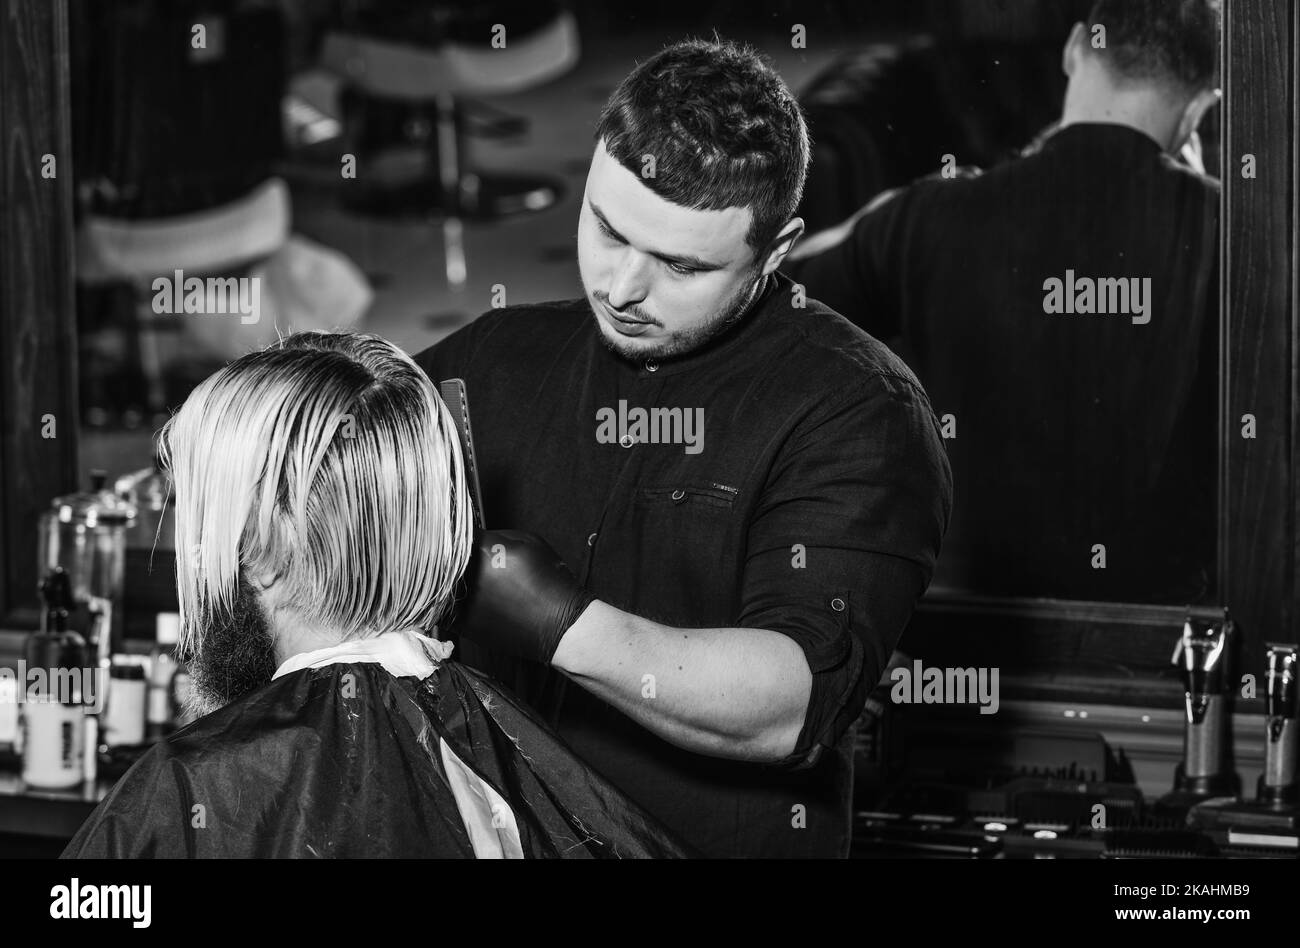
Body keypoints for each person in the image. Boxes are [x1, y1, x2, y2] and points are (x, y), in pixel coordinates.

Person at [418, 38, 953, 858]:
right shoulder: (496, 356)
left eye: (679, 264)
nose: (622, 288)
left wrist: (562, 624)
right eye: (606, 227)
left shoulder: (857, 412)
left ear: (776, 252)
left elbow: (787, 706)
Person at [62, 332, 691, 858]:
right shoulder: (492, 761)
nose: (199, 558)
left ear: (261, 545)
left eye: (203, 526)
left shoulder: (187, 790)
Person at [785, 0, 1221, 602]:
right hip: (1156, 640)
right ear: (1200, 108)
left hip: (956, 634)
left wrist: (884, 217)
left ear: (1075, 49)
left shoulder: (929, 217)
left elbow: (772, 292)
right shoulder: (1234, 234)